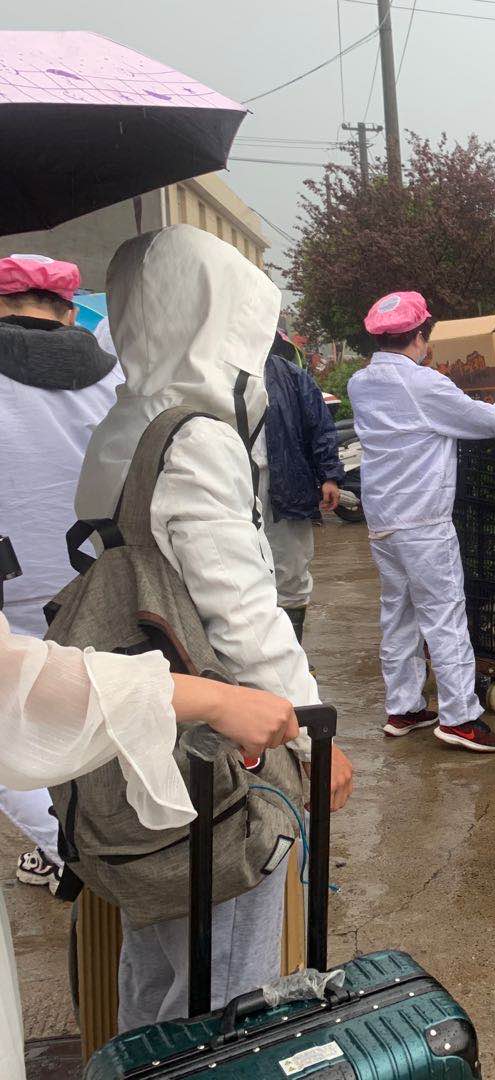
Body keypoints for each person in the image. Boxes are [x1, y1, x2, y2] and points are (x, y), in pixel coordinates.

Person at [74, 225, 355, 1029]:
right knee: (223, 988)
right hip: (211, 756)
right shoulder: (195, 437)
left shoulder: (123, 423)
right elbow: (242, 613)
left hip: (139, 729)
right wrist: (312, 735)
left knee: (157, 962)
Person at [0, 610, 302, 1079]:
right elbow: (240, 608)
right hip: (211, 799)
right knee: (223, 1013)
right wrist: (225, 703)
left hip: (141, 808)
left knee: (154, 981)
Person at [348, 291, 495, 751]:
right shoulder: (424, 384)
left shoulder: (360, 383)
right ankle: (460, 717)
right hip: (423, 520)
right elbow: (488, 422)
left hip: (384, 520)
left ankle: (404, 707)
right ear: (420, 336)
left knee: (399, 614)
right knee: (444, 615)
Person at [0, 253, 123, 896]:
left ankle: (70, 852)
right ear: (70, 312)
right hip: (101, 582)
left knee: (13, 730)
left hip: (13, 588)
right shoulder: (118, 378)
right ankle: (94, 846)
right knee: (96, 721)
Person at [262, 329, 344, 644]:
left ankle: (292, 653)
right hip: (236, 490)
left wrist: (329, 476)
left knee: (291, 570)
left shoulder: (293, 378)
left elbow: (320, 427)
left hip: (288, 487)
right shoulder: (216, 374)